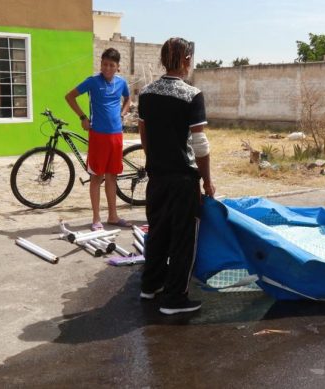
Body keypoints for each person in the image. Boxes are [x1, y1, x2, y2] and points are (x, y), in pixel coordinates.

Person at [137, 37, 215, 315]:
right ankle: (174, 299)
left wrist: (156, 159)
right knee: (183, 239)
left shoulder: (146, 93)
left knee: (158, 232)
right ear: (186, 61)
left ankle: (150, 285)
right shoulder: (192, 95)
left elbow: (143, 135)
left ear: (162, 60)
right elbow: (200, 145)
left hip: (156, 178)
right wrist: (207, 180)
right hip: (183, 180)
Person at [65, 48, 131, 231]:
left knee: (112, 177)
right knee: (97, 177)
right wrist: (82, 118)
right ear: (100, 64)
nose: (107, 68)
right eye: (104, 64)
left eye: (111, 65)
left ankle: (113, 216)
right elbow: (69, 97)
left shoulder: (121, 83)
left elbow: (128, 99)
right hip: (98, 137)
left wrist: (123, 114)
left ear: (118, 67)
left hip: (116, 136)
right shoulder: (93, 82)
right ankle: (96, 218)